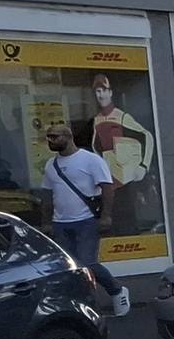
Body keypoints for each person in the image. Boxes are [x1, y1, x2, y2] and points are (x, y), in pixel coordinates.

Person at [40, 123, 124, 315]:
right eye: (48, 137)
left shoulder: (90, 160)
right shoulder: (50, 165)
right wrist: (46, 222)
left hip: (86, 220)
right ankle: (83, 302)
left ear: (68, 137)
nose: (50, 141)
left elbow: (107, 188)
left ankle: (116, 289)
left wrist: (106, 216)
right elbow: (47, 195)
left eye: (54, 137)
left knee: (87, 262)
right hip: (61, 223)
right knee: (69, 267)